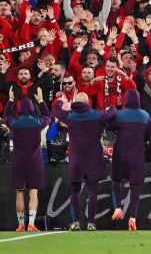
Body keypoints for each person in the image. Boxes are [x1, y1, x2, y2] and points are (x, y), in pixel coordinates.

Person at [53, 92, 117, 231]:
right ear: (88, 102)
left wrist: (60, 101)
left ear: (76, 101)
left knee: (75, 191)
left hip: (76, 160)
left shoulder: (70, 116)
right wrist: (110, 106)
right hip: (93, 159)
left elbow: (56, 111)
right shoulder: (96, 114)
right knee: (92, 192)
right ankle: (91, 223)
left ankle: (75, 222)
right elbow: (113, 112)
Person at [3, 88, 50, 232]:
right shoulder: (37, 122)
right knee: (33, 192)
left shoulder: (15, 122)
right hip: (34, 161)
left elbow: (5, 116)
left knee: (19, 193)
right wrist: (41, 101)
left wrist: (10, 100)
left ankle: (20, 225)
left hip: (18, 161)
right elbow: (48, 116)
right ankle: (31, 223)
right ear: (32, 109)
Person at [108, 89, 151, 231]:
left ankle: (117, 208)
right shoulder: (145, 115)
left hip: (120, 153)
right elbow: (149, 133)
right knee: (135, 188)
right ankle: (132, 218)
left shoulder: (119, 115)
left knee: (116, 181)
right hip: (137, 155)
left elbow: (109, 126)